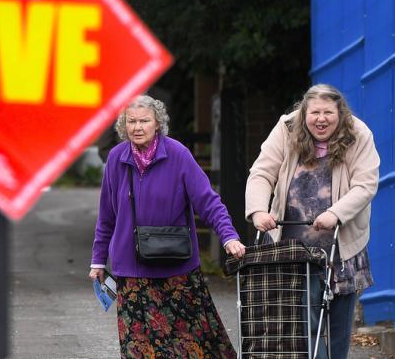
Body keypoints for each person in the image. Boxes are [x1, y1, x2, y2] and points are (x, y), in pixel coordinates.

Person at [89, 95, 245, 358]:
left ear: (158, 124)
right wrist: (97, 260)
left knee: (190, 347)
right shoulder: (116, 158)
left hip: (177, 270)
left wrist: (228, 236)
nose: (137, 127)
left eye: (144, 121)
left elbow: (208, 201)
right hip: (132, 272)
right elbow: (106, 216)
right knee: (138, 349)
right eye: (131, 122)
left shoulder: (178, 155)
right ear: (123, 126)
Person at [245, 84, 380, 359]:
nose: (321, 119)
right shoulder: (286, 128)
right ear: (304, 113)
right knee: (303, 322)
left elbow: (365, 184)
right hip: (293, 247)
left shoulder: (358, 133)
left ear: (339, 113)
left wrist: (336, 212)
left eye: (328, 112)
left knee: (339, 325)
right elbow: (261, 172)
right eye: (314, 112)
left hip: (340, 246)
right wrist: (259, 211)